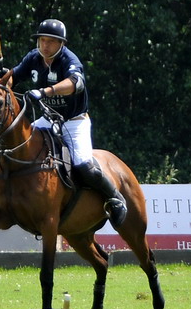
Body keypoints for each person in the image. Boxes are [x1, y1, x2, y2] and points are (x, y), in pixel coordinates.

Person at [9, 19, 126, 228]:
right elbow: (14, 77)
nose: (45, 46)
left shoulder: (68, 59)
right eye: (42, 40)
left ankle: (115, 198)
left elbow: (75, 83)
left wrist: (46, 91)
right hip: (48, 118)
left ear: (61, 43)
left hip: (74, 122)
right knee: (21, 146)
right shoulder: (34, 58)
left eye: (51, 42)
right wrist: (1, 79)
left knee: (83, 164)